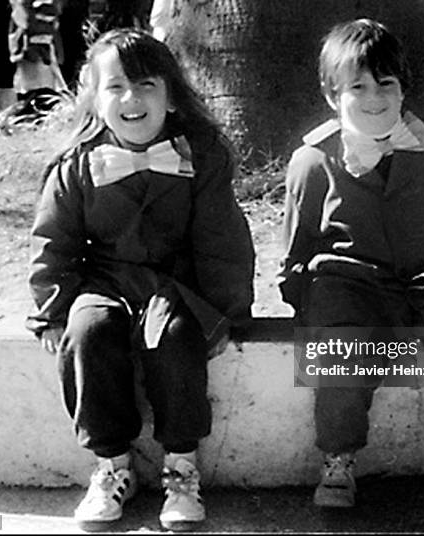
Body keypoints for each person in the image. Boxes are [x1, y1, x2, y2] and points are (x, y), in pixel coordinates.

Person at [277, 18, 424, 508]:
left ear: (403, 87)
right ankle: (339, 456)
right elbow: (295, 250)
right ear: (331, 95)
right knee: (341, 350)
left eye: (385, 83)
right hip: (348, 285)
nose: (374, 97)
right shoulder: (313, 161)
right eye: (357, 86)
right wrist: (314, 306)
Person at [26, 28, 255, 528]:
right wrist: (51, 312)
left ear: (171, 96)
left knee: (176, 338)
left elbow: (223, 238)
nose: (132, 99)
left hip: (177, 285)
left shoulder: (202, 156)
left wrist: (226, 312)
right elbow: (54, 244)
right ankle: (111, 465)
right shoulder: (75, 165)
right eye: (116, 87)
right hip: (104, 282)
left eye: (146, 84)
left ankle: (181, 465)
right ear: (95, 98)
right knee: (86, 334)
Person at [7, 0, 68, 119]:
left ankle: (39, 112)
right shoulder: (22, 14)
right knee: (31, 89)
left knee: (45, 89)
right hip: (31, 59)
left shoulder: (48, 13)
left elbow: (53, 32)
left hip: (44, 59)